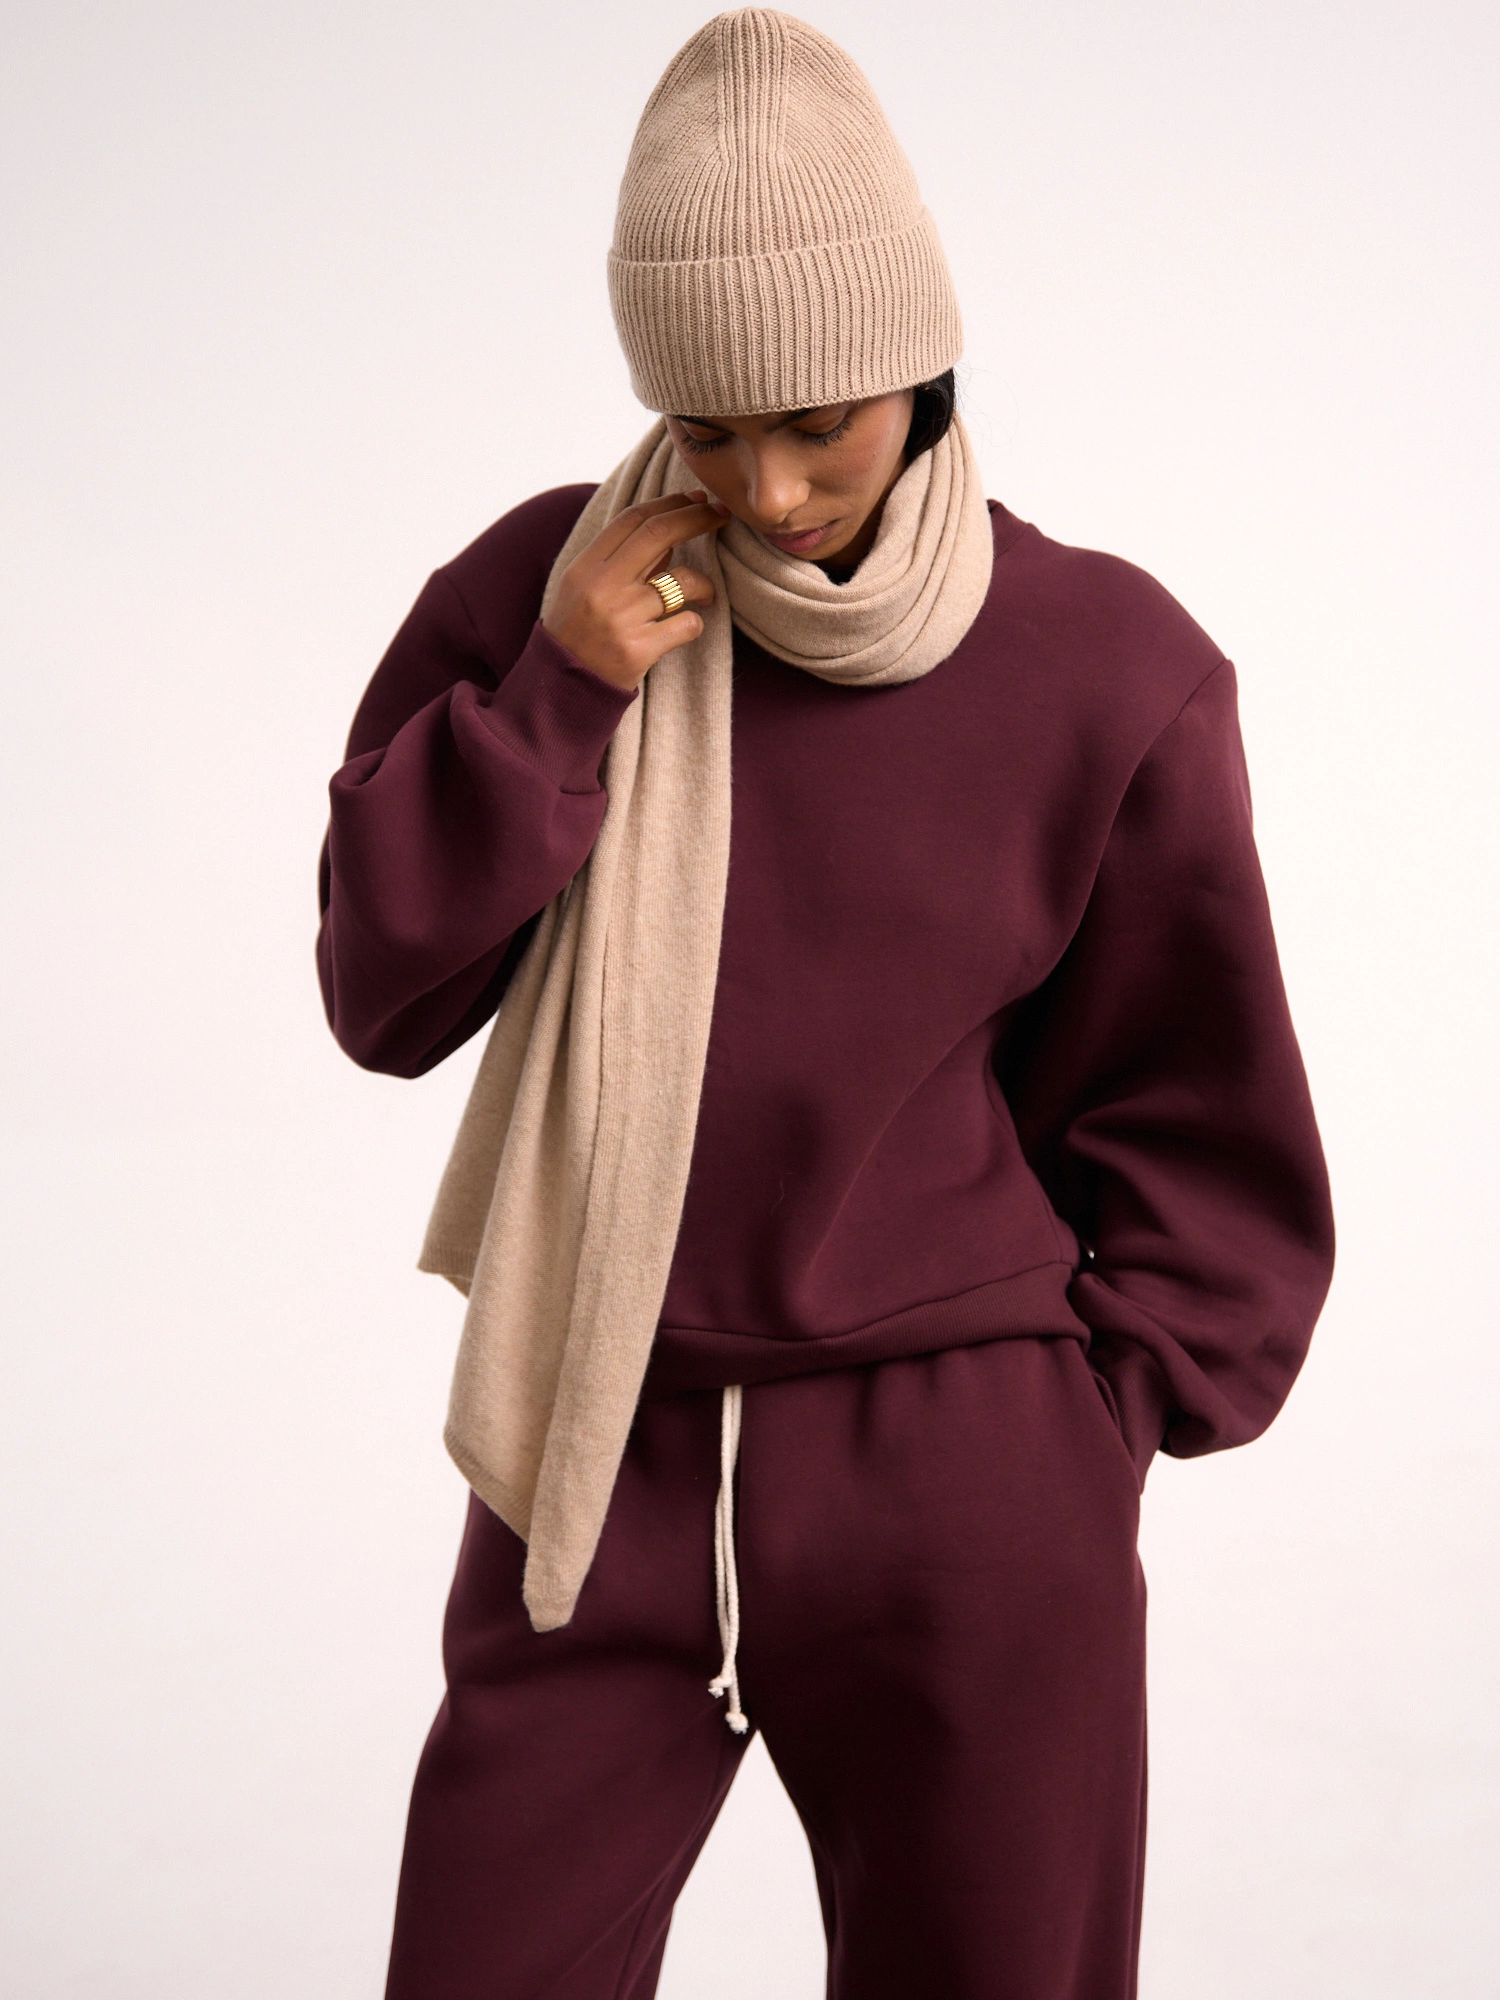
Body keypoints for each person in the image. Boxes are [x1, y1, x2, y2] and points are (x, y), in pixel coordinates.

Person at [316, 10, 1335, 1998]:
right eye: (707, 428)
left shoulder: (1108, 666)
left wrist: (1090, 1435)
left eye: (819, 421)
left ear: (926, 362)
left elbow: (1197, 1114)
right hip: (593, 1455)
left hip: (965, 1486)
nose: (767, 488)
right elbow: (381, 988)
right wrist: (561, 695)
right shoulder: (550, 593)